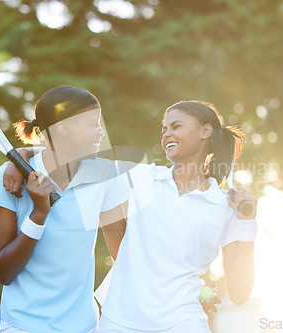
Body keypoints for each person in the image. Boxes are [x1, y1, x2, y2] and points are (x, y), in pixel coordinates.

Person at [97, 100, 257, 332]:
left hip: (183, 323)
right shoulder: (143, 177)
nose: (166, 135)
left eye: (175, 126)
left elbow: (240, 294)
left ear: (205, 131)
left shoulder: (226, 207)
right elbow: (82, 166)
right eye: (164, 129)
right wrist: (27, 151)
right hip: (120, 322)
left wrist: (248, 225)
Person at [0, 86, 127, 333]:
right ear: (63, 128)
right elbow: (3, 272)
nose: (101, 132)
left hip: (84, 327)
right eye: (93, 123)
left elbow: (126, 256)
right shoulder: (7, 178)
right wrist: (39, 214)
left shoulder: (106, 176)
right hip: (22, 326)